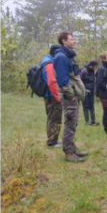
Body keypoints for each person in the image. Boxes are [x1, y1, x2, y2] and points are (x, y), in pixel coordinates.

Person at [41, 31, 86, 162]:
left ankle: (72, 148)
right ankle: (69, 152)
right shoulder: (61, 57)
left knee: (73, 123)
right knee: (70, 123)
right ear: (64, 41)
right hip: (68, 97)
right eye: (71, 39)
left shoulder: (67, 56)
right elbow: (62, 80)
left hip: (72, 95)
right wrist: (71, 96)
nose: (74, 41)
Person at [80, 60, 98, 126]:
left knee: (91, 105)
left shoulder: (93, 71)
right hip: (84, 90)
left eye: (96, 66)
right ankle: (87, 121)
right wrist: (83, 90)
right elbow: (79, 81)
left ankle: (93, 120)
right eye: (94, 66)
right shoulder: (84, 71)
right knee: (86, 106)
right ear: (91, 65)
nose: (95, 68)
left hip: (91, 90)